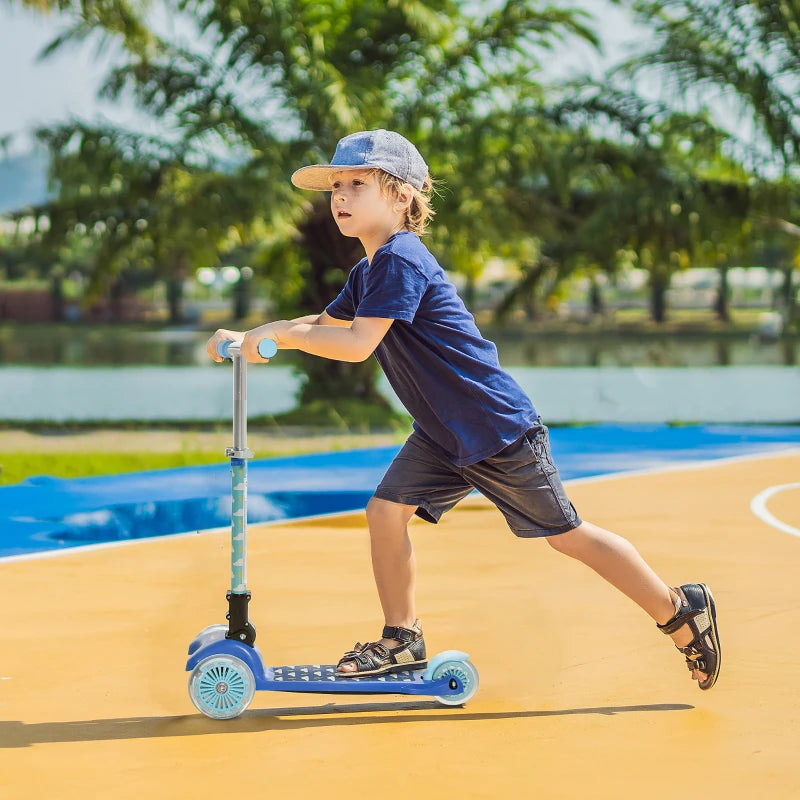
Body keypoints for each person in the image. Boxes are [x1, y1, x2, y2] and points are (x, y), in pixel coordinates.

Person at [206, 129, 721, 690]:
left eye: (358, 183)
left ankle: (679, 609)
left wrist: (283, 334)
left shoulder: (401, 257)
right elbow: (322, 327)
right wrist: (253, 337)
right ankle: (402, 637)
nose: (341, 196)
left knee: (566, 534)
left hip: (494, 428)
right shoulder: (369, 270)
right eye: (336, 185)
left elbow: (355, 345)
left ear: (402, 196)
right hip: (442, 434)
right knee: (385, 512)